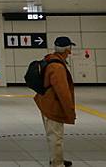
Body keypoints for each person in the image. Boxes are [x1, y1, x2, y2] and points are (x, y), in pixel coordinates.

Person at [34, 36, 76, 167]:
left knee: (53, 135)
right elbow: (63, 92)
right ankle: (57, 164)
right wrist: (70, 111)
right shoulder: (57, 67)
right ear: (67, 50)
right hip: (53, 105)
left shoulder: (49, 59)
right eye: (70, 48)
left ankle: (57, 159)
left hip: (46, 102)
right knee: (56, 137)